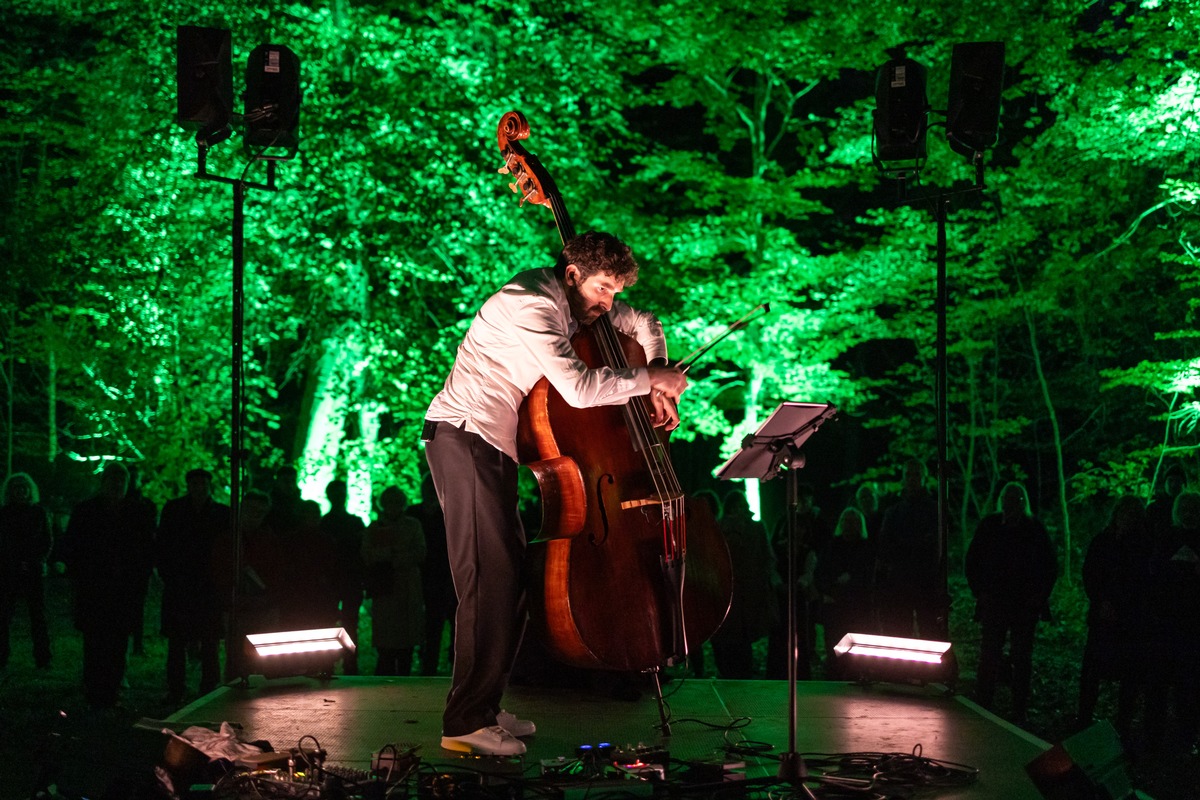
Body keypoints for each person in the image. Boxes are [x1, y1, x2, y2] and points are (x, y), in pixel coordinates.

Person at [421, 231, 687, 756]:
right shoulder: (531, 304)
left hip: (491, 446)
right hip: (465, 436)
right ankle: (464, 722)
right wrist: (649, 376)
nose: (610, 303)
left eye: (615, 292)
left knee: (512, 579)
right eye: (603, 289)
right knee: (488, 580)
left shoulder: (583, 305)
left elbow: (645, 322)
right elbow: (581, 389)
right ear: (572, 275)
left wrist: (657, 376)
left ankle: (486, 708)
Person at [965, 481, 1058, 722]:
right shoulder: (990, 526)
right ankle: (984, 702)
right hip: (995, 602)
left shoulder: (1033, 528)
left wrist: (1039, 596)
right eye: (1008, 499)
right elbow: (972, 561)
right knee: (990, 654)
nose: (1011, 504)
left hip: (1024, 604)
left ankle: (1019, 707)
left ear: (1022, 502)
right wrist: (980, 592)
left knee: (1021, 656)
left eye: (1015, 500)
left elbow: (1049, 566)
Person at [61, 463, 144, 708]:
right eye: (113, 481)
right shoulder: (87, 511)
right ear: (104, 482)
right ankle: (96, 690)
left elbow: (143, 548)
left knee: (116, 642)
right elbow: (74, 546)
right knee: (96, 641)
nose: (117, 486)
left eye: (121, 481)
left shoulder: (134, 511)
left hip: (121, 587)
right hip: (95, 586)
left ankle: (110, 689)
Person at [1078, 495, 1150, 739]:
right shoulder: (1103, 540)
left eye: (1132, 515)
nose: (1126, 519)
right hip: (1102, 617)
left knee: (1129, 674)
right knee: (1092, 672)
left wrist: (1124, 606)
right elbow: (1090, 572)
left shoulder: (1143, 545)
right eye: (1123, 514)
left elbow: (1143, 581)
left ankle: (1123, 724)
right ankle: (1084, 718)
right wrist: (1101, 601)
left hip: (1130, 620)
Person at [156, 468, 229, 705]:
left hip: (207, 586)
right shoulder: (175, 510)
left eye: (202, 483)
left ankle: (208, 687)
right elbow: (163, 544)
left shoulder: (220, 513)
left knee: (209, 640)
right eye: (195, 483)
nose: (199, 487)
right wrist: (169, 574)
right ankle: (177, 688)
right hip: (182, 583)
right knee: (178, 641)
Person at [710, 490, 776, 679]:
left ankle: (739, 673)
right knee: (730, 637)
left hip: (747, 590)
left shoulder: (755, 529)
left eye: (741, 506)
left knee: (742, 637)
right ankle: (732, 672)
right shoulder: (721, 528)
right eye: (735, 507)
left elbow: (766, 557)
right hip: (731, 590)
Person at [875, 459, 942, 639]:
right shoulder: (894, 511)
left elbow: (933, 544)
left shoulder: (934, 510)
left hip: (924, 581)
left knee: (929, 633)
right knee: (900, 631)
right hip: (901, 581)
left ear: (924, 478)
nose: (912, 479)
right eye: (909, 475)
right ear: (903, 478)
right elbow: (885, 546)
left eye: (916, 475)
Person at [362, 486, 426, 676]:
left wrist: (393, 557)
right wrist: (390, 555)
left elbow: (421, 552)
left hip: (407, 589)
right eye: (389, 502)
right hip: (385, 589)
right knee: (386, 644)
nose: (393, 506)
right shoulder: (375, 527)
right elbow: (367, 554)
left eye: (396, 502)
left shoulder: (413, 525)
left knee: (405, 644)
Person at [0, 473, 53, 670]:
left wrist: (36, 561)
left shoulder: (38, 512)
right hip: (8, 571)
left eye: (24, 488)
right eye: (16, 488)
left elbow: (47, 541)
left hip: (33, 570)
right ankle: (2, 655)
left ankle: (43, 657)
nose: (21, 491)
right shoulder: (4, 514)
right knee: (4, 616)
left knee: (38, 616)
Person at [817, 507, 875, 677]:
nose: (849, 525)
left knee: (855, 649)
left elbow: (867, 577)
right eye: (846, 521)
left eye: (853, 522)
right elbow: (820, 574)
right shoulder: (831, 546)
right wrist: (831, 588)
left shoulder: (866, 548)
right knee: (835, 647)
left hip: (857, 609)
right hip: (835, 608)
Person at [321, 479, 366, 675]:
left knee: (338, 624)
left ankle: (334, 664)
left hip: (340, 582)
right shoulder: (353, 523)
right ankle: (347, 665)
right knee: (346, 624)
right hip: (344, 582)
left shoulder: (325, 523)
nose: (340, 497)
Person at [413, 473, 455, 676]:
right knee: (434, 623)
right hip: (436, 574)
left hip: (443, 575)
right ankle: (434, 664)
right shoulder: (447, 512)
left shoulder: (417, 513)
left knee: (441, 622)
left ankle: (436, 664)